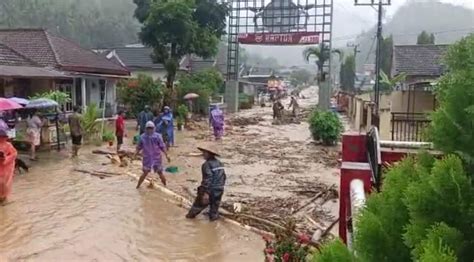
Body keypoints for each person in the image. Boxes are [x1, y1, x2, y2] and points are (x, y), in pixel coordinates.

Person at [186, 145, 226, 221]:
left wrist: (206, 193)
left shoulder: (206, 165)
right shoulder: (219, 163)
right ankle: (213, 227)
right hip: (219, 189)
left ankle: (189, 220)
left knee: (195, 209)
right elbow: (223, 177)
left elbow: (208, 178)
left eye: (204, 152)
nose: (203, 154)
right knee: (214, 212)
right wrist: (220, 187)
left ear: (209, 154)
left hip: (210, 190)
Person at [135, 121, 170, 189]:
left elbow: (162, 147)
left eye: (151, 128)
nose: (149, 130)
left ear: (154, 128)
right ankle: (138, 186)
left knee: (160, 173)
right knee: (145, 173)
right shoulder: (143, 137)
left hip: (156, 157)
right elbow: (138, 148)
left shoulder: (157, 136)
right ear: (146, 129)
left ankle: (165, 186)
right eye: (148, 128)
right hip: (147, 158)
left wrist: (167, 155)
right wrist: (134, 155)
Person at [0, 120, 17, 203]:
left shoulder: (8, 145)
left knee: (4, 183)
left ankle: (4, 198)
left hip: (5, 169)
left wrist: (5, 159)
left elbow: (14, 154)